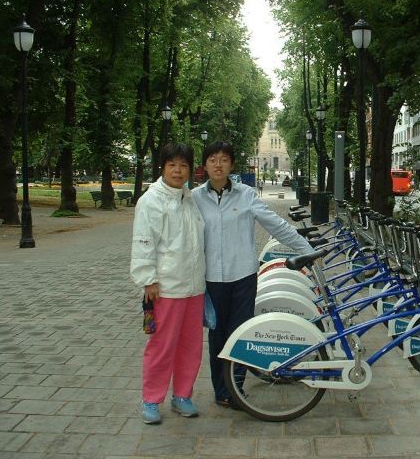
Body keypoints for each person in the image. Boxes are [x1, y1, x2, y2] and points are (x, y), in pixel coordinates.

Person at [192, 140, 315, 408]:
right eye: (212, 159)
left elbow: (276, 225)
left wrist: (307, 250)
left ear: (231, 165)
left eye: (224, 159)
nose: (218, 165)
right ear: (204, 165)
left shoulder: (246, 195)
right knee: (217, 335)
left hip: (243, 276)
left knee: (241, 332)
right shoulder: (194, 198)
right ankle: (221, 391)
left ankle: (235, 389)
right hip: (211, 278)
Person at [130, 143, 206, 424]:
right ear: (162, 167)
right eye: (172, 164)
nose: (178, 170)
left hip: (194, 288)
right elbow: (143, 241)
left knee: (190, 347)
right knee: (162, 346)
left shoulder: (189, 198)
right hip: (166, 289)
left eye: (183, 165)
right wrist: (148, 279)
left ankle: (182, 395)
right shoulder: (151, 201)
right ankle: (151, 399)